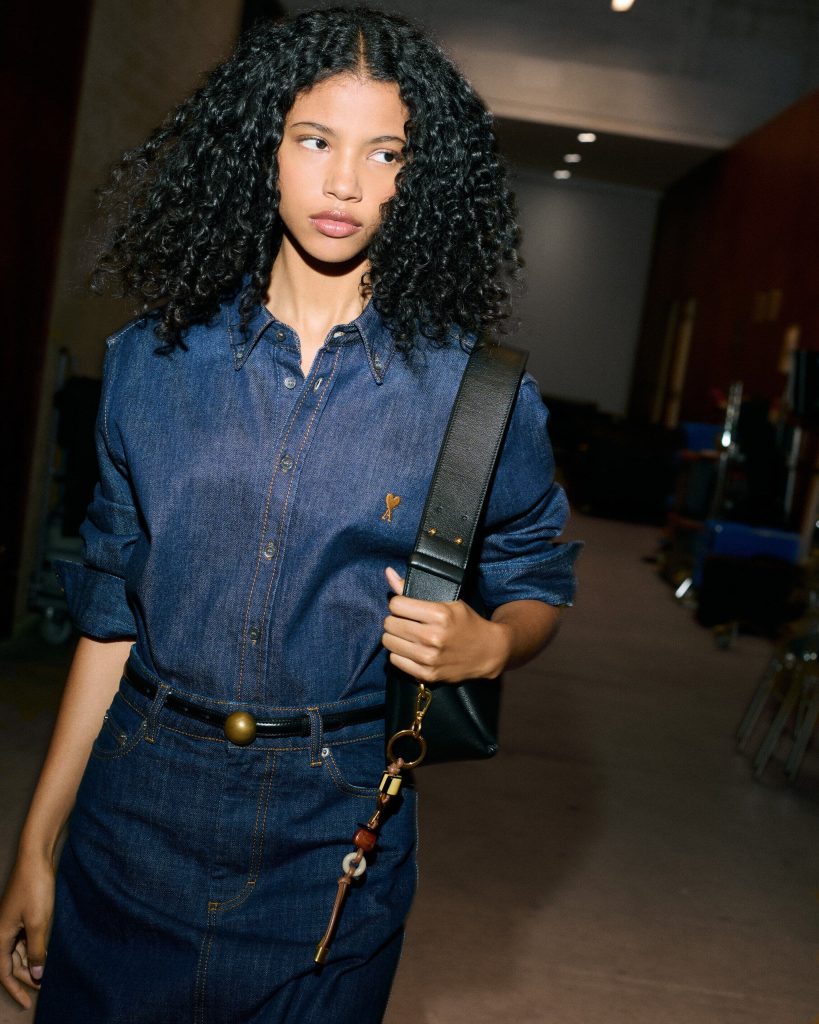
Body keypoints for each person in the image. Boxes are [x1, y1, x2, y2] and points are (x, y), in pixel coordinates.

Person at [0, 6, 579, 1021]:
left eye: (384, 150)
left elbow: (538, 575)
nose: (345, 183)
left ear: (420, 174)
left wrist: (491, 643)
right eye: (315, 139)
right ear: (261, 145)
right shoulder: (151, 364)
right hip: (134, 810)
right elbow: (107, 617)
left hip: (335, 829)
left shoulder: (474, 396)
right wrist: (35, 846)